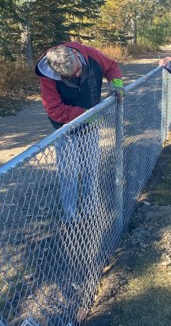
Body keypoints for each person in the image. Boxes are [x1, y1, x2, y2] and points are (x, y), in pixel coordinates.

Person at [34, 43, 125, 222]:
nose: (76, 75)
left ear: (75, 55)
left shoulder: (90, 55)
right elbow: (54, 109)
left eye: (77, 70)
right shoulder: (48, 76)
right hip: (65, 130)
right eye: (69, 76)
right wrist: (84, 115)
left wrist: (117, 85)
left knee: (91, 168)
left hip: (90, 127)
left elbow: (111, 67)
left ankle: (91, 208)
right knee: (69, 174)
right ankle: (71, 215)